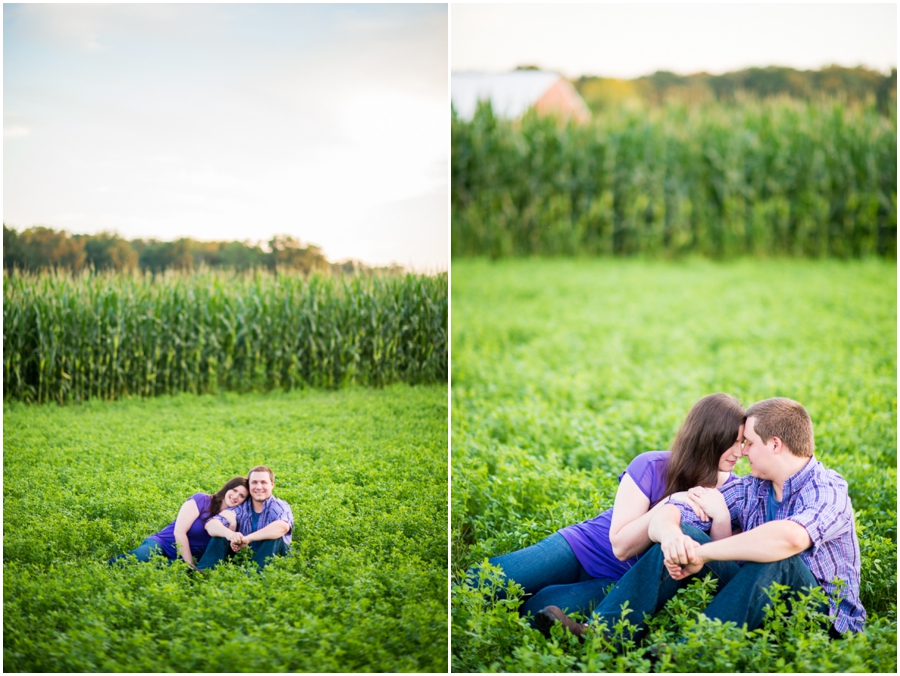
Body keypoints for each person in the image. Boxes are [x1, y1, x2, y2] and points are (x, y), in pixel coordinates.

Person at [537, 397, 865, 641]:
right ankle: (605, 635)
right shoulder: (752, 488)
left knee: (780, 559)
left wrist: (702, 554)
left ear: (775, 444)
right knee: (689, 532)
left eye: (748, 443)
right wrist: (674, 537)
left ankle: (689, 650)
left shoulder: (827, 488)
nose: (743, 452)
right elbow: (678, 510)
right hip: (760, 600)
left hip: (823, 619)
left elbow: (789, 538)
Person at [466, 393, 747, 621]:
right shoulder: (651, 465)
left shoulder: (734, 492)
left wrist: (720, 516)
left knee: (539, 609)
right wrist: (671, 502)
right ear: (707, 439)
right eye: (730, 443)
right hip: (584, 547)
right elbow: (621, 546)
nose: (739, 452)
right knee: (484, 583)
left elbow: (719, 567)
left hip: (623, 582)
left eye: (742, 442)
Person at [109, 477, 249, 570]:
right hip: (163, 544)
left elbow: (227, 545)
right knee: (134, 560)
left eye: (241, 496)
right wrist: (190, 564)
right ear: (227, 488)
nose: (236, 496)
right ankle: (104, 566)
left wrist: (232, 522)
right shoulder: (202, 499)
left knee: (152, 569)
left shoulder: (235, 517)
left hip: (187, 557)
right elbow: (179, 532)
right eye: (234, 490)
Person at [197, 465, 293, 570]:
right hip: (244, 557)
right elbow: (211, 525)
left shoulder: (280, 506)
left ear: (272, 485)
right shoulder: (241, 508)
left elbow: (282, 527)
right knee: (220, 535)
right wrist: (231, 534)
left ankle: (254, 577)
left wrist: (248, 539)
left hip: (274, 558)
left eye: (263, 482)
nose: (259, 487)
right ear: (249, 486)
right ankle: (204, 573)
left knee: (275, 537)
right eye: (254, 482)